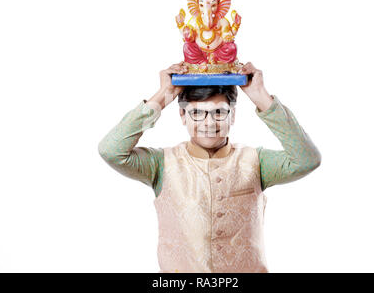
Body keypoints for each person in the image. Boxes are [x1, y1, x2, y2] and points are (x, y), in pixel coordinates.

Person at [98, 61, 321, 273]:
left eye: (219, 112)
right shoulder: (161, 164)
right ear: (182, 115)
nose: (209, 123)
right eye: (197, 113)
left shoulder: (256, 161)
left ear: (232, 115)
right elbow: (111, 150)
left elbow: (307, 159)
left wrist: (262, 97)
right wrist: (161, 97)